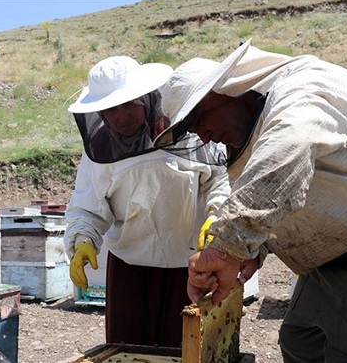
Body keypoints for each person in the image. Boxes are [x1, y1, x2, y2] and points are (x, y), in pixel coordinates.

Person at [154, 40, 347, 362]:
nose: (204, 136)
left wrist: (228, 248)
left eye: (198, 121)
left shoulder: (304, 88)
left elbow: (290, 147)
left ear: (224, 92)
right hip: (329, 257)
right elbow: (292, 193)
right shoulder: (258, 122)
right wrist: (253, 250)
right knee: (301, 342)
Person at [64, 56, 231, 347]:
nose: (121, 116)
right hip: (130, 267)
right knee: (128, 349)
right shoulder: (99, 152)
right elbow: (87, 207)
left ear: (145, 99)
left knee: (187, 349)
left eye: (128, 104)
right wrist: (82, 240)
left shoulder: (189, 133)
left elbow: (220, 179)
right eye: (111, 109)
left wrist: (218, 215)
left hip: (191, 263)